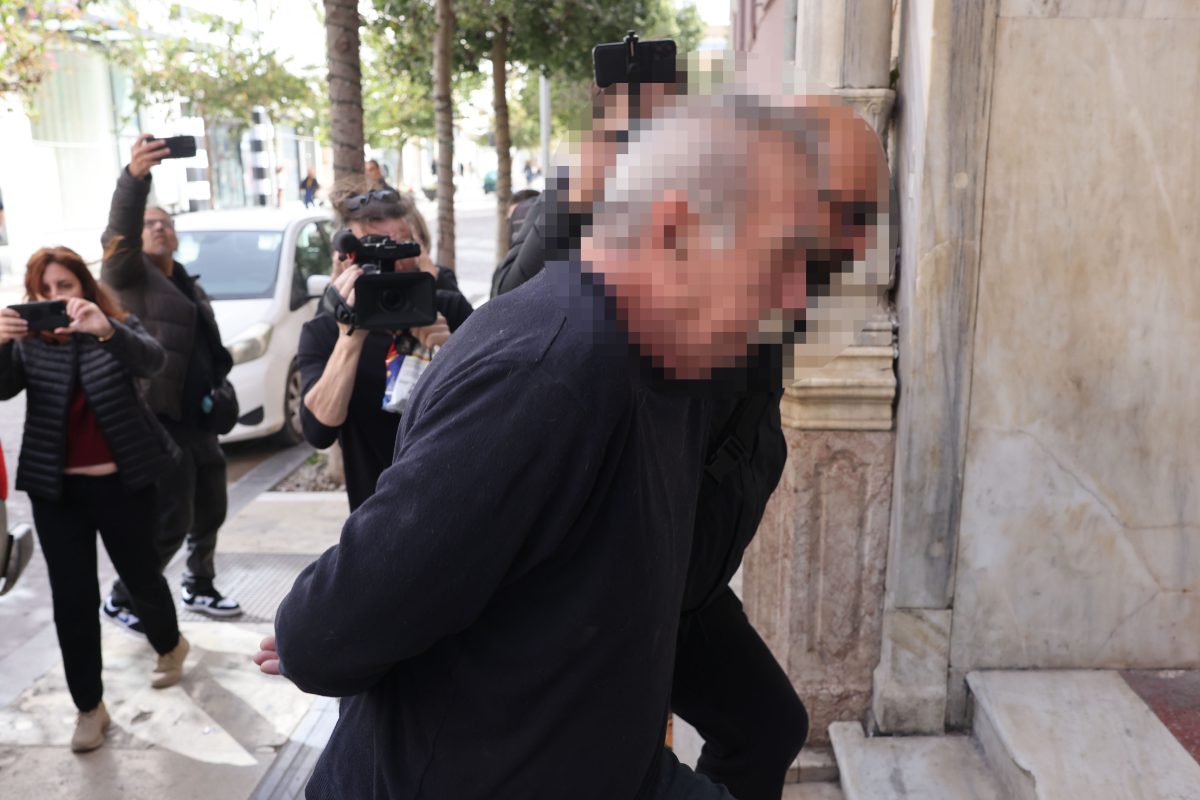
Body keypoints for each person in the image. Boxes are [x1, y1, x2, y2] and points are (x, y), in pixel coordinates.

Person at [254, 92, 888, 799]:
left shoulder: (682, 358)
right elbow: (322, 637)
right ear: (676, 226)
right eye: (792, 259)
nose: (800, 300)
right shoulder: (548, 373)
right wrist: (338, 619)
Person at [491, 80, 810, 799]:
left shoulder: (753, 250)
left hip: (687, 578)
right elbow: (508, 306)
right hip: (611, 578)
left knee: (767, 726)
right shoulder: (609, 228)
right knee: (611, 766)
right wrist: (590, 164)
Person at [0, 246, 190, 752]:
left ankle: (170, 645)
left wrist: (105, 329)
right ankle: (89, 706)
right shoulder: (29, 343)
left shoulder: (114, 325)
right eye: (45, 290)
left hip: (124, 483)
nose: (55, 297)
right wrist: (0, 343)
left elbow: (154, 361)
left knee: (141, 576)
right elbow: (2, 389)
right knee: (72, 600)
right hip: (56, 492)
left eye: (64, 286)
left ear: (84, 286)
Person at [101, 133, 242, 629]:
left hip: (199, 418)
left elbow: (207, 350)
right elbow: (117, 236)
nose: (159, 228)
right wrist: (134, 179)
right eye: (150, 224)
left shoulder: (185, 279)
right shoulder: (128, 277)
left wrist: (222, 387)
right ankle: (123, 597)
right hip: (160, 421)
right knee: (170, 521)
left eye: (166, 223)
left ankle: (199, 585)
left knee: (211, 510)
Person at [297, 179, 473, 511]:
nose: (390, 263)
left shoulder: (449, 310)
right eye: (372, 251)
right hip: (377, 513)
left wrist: (450, 353)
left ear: (418, 248)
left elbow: (496, 410)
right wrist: (351, 338)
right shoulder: (324, 332)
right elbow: (319, 430)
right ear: (344, 260)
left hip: (458, 503)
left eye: (400, 246)